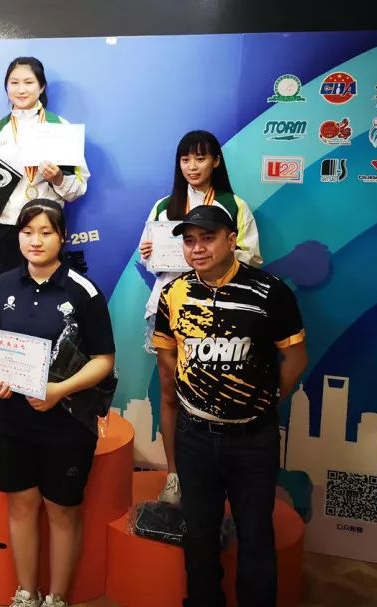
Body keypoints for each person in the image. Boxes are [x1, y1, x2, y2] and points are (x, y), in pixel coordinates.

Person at [151, 205, 307, 607]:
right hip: (195, 436)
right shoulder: (174, 293)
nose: (197, 249)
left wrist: (262, 403)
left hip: (252, 439)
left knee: (255, 535)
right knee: (199, 533)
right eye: (189, 241)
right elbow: (166, 353)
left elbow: (295, 358)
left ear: (231, 239)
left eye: (208, 238)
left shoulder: (270, 292)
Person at [0, 199, 115, 607]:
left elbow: (104, 361)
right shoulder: (2, 285)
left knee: (62, 511)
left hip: (67, 422)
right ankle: (27, 594)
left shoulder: (83, 291)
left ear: (62, 237)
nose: (35, 241)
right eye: (27, 232)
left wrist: (59, 390)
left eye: (46, 232)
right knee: (21, 505)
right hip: (12, 419)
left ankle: (57, 601)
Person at [138, 130, 262, 506]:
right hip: (170, 307)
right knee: (170, 392)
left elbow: (253, 258)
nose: (192, 166)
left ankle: (215, 480)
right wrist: (148, 252)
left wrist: (213, 257)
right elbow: (148, 258)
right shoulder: (164, 206)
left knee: (216, 393)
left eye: (200, 158)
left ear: (216, 162)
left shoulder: (234, 205)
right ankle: (175, 475)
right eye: (185, 159)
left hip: (220, 314)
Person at [0, 56, 89, 289]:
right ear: (6, 87)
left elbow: (77, 189)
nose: (21, 89)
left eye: (28, 82)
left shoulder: (61, 129)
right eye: (14, 83)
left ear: (41, 87)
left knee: (42, 295)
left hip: (42, 229)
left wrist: (58, 178)